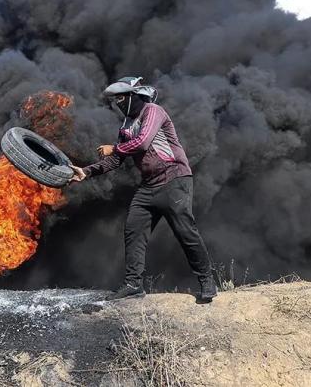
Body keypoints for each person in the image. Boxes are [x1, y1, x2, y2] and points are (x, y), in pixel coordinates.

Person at [70, 77, 217, 303]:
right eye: (115, 99)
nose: (117, 103)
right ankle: (133, 284)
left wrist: (114, 148)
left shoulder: (153, 111)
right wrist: (86, 172)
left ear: (133, 96)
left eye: (120, 98)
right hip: (149, 186)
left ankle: (207, 281)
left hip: (174, 179)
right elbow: (116, 160)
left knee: (185, 231)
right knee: (134, 229)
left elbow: (142, 143)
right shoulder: (126, 126)